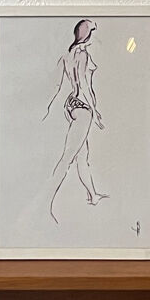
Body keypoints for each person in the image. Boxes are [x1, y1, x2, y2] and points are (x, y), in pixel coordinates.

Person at [42, 19, 108, 222]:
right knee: (68, 157)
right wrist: (95, 111)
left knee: (81, 155)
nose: (95, 36)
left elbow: (59, 84)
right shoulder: (83, 55)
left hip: (71, 106)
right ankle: (45, 204)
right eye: (93, 32)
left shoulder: (67, 55)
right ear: (87, 34)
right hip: (83, 107)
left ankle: (93, 195)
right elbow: (83, 85)